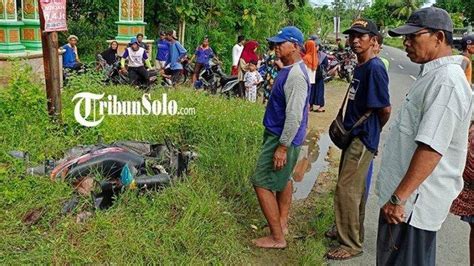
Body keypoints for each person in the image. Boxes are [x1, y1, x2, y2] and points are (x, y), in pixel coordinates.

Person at [375, 7, 473, 265]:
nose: (406, 43)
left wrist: (399, 198)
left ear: (439, 37)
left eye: (413, 36)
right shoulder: (432, 75)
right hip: (404, 203)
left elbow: (431, 147)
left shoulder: (447, 82)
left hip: (411, 208)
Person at [326, 18, 391, 260]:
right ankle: (347, 229)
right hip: (354, 136)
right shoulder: (361, 66)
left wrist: (370, 132)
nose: (354, 40)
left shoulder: (374, 68)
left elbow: (385, 109)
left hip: (362, 139)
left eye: (361, 36)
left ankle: (351, 243)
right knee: (352, 189)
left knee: (348, 190)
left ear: (374, 41)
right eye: (352, 35)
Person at [250, 26, 309, 249]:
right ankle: (281, 223)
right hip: (281, 135)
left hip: (281, 137)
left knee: (261, 182)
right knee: (284, 180)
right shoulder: (291, 69)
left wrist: (282, 147)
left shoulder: (296, 77)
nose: (275, 47)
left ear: (294, 46)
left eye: (280, 44)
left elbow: (294, 116)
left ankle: (277, 238)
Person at [310, 43, 328, 112]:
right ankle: (310, 105)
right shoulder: (310, 54)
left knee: (320, 91)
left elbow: (326, 64)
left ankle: (321, 106)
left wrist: (318, 65)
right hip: (312, 75)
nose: (314, 48)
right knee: (311, 90)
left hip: (319, 75)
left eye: (316, 46)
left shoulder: (323, 55)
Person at [303, 40, 318, 109]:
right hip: (311, 81)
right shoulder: (315, 57)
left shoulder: (306, 58)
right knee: (308, 96)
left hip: (305, 80)